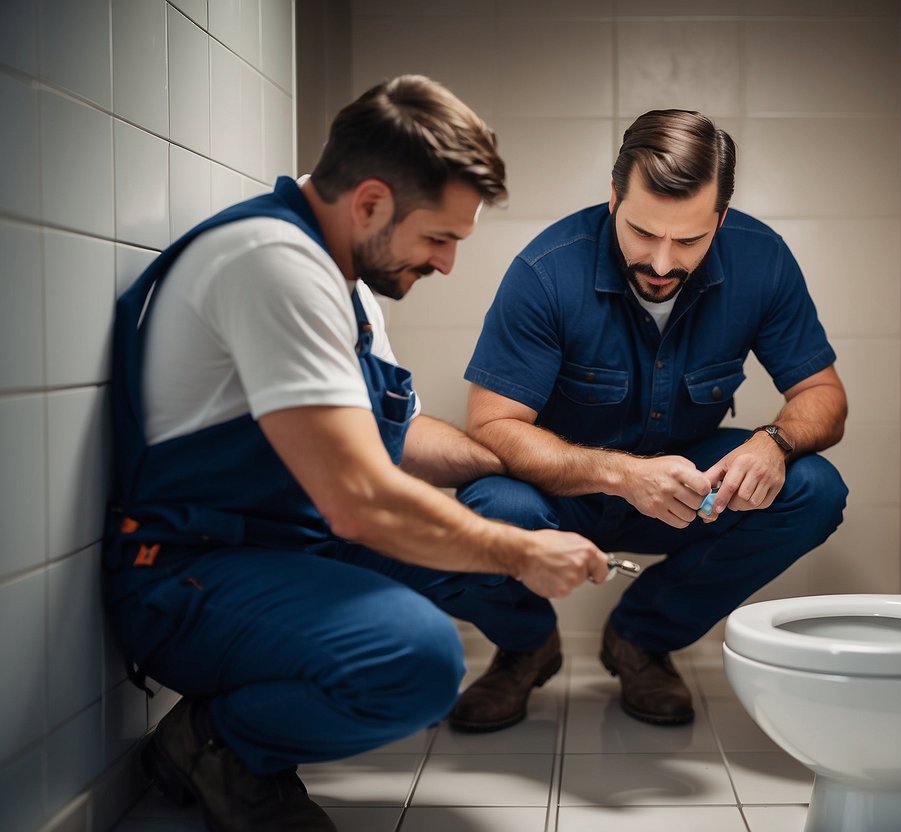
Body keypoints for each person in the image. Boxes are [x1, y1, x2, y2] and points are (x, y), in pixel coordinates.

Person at [103, 75, 610, 832]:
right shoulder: (271, 265)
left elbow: (386, 440)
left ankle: (521, 651)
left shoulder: (346, 277)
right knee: (422, 658)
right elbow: (360, 497)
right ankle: (218, 745)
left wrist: (517, 461)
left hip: (281, 545)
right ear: (370, 202)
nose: (446, 264)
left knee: (494, 515)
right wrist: (518, 554)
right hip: (185, 579)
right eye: (439, 238)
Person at [448, 109, 849, 732]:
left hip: (691, 487)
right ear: (614, 198)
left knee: (815, 488)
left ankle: (640, 638)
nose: (662, 263)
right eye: (641, 232)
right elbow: (492, 427)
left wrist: (774, 442)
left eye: (689, 241)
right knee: (489, 508)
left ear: (720, 218)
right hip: (567, 492)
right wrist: (620, 475)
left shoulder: (762, 259)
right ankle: (525, 647)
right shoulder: (546, 270)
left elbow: (823, 394)